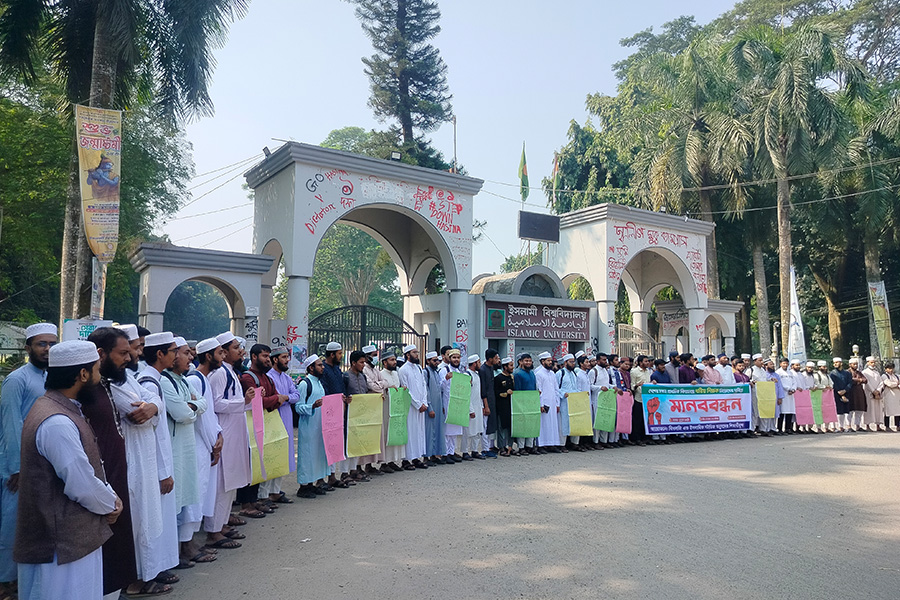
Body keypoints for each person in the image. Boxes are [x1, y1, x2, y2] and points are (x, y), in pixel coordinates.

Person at [14, 340, 123, 600]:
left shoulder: (59, 408)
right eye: (96, 370)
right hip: (60, 547)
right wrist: (111, 503)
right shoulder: (57, 422)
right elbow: (80, 483)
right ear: (82, 374)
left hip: (70, 540)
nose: (99, 377)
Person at [106, 328, 175, 594]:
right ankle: (135, 581)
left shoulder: (128, 378)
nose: (134, 355)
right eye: (129, 350)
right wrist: (152, 407)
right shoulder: (113, 383)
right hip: (131, 458)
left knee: (147, 518)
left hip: (145, 458)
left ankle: (145, 575)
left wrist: (153, 407)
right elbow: (135, 410)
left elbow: (152, 402)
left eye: (134, 349)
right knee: (136, 520)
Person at [82, 328, 140, 597]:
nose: (129, 358)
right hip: (100, 480)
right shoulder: (83, 393)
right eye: (123, 353)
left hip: (116, 475)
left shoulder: (106, 384)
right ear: (100, 354)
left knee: (118, 546)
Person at [0, 322, 58, 593]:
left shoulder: (53, 377)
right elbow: (11, 425)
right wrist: (17, 468)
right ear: (28, 348)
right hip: (18, 467)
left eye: (52, 344)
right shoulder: (17, 380)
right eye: (41, 344)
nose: (47, 349)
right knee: (12, 523)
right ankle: (5, 582)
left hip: (43, 464)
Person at [137, 333, 181, 585]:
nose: (177, 355)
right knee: (154, 518)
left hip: (161, 460)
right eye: (173, 351)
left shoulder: (156, 379)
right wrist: (163, 471)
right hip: (154, 463)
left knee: (162, 516)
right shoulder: (149, 384)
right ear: (160, 354)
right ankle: (149, 572)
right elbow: (155, 433)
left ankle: (159, 566)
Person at [162, 337, 207, 569]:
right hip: (173, 451)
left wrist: (192, 406)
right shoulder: (163, 381)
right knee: (172, 503)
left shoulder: (183, 380)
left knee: (185, 499)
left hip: (186, 447)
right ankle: (171, 555)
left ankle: (182, 548)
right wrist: (192, 407)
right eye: (185, 353)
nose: (191, 358)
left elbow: (203, 403)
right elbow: (181, 414)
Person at [185, 339, 232, 553]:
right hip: (199, 445)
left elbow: (210, 415)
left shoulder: (203, 379)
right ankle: (188, 545)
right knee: (196, 495)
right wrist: (214, 443)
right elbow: (200, 419)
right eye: (220, 353)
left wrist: (219, 434)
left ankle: (192, 542)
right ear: (208, 356)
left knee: (204, 492)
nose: (223, 357)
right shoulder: (194, 380)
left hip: (208, 444)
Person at [207, 332, 255, 529]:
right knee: (222, 483)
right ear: (224, 352)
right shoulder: (219, 374)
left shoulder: (231, 372)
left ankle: (223, 523)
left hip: (235, 431)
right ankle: (215, 530)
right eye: (236, 348)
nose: (241, 351)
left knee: (231, 480)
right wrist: (243, 401)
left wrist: (247, 401)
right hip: (225, 432)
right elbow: (216, 403)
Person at [238, 344, 288, 515]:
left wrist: (272, 399)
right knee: (251, 464)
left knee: (262, 462)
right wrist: (274, 399)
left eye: (268, 356)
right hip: (249, 426)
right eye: (265, 356)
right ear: (254, 357)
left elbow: (273, 401)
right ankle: (247, 504)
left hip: (265, 425)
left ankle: (256, 500)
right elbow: (257, 402)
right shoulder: (248, 378)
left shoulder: (268, 378)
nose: (268, 360)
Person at [265, 347, 300, 503]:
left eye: (287, 357)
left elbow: (296, 395)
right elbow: (274, 397)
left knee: (283, 455)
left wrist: (285, 398)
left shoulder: (286, 378)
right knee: (272, 455)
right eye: (284, 357)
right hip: (273, 419)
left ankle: (276, 491)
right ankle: (265, 494)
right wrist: (285, 398)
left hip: (286, 418)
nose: (287, 360)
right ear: (275, 359)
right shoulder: (268, 377)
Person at [294, 355, 330, 498]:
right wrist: (312, 406)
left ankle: (313, 483)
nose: (322, 367)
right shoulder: (305, 384)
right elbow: (298, 407)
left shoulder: (319, 383)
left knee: (318, 454)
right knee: (307, 456)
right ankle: (304, 487)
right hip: (308, 427)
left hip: (319, 426)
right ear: (311, 368)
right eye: (319, 365)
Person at [399, 345, 429, 469]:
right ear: (407, 355)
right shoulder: (403, 370)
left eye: (417, 352)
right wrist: (417, 404)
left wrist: (424, 402)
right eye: (414, 352)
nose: (417, 354)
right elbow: (406, 390)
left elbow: (423, 385)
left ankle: (416, 457)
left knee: (419, 432)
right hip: (410, 407)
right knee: (410, 431)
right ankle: (406, 460)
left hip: (421, 406)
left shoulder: (419, 368)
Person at [360, 344, 387, 478]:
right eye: (373, 355)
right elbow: (371, 386)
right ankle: (361, 465)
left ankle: (370, 465)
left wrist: (379, 385)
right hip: (368, 407)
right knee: (366, 435)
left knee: (375, 436)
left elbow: (385, 382)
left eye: (376, 355)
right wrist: (380, 386)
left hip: (377, 406)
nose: (375, 357)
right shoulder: (364, 370)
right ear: (366, 357)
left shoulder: (376, 370)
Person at [378, 353, 408, 471]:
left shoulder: (396, 373)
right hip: (386, 408)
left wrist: (402, 389)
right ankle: (384, 463)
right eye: (392, 360)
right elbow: (379, 389)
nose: (395, 362)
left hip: (396, 408)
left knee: (395, 432)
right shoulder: (381, 374)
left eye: (395, 359)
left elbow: (398, 388)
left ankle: (392, 461)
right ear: (385, 362)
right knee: (387, 434)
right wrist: (387, 389)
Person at [440, 349, 468, 461]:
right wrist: (446, 379)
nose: (456, 360)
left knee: (455, 430)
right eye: (454, 357)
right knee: (447, 431)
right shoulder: (444, 370)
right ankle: (445, 453)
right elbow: (440, 387)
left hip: (457, 404)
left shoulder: (460, 372)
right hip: (447, 403)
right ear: (450, 358)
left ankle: (451, 452)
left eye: (458, 358)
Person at [423, 352, 447, 464]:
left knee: (437, 430)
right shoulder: (425, 372)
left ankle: (434, 455)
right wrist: (430, 407)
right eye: (434, 360)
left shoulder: (436, 372)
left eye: (437, 360)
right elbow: (426, 391)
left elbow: (440, 390)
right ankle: (426, 457)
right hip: (430, 407)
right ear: (428, 361)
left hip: (438, 406)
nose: (437, 362)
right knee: (429, 432)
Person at [535, 352, 561, 452]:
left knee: (553, 424)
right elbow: (539, 391)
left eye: (551, 360)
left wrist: (557, 403)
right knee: (544, 424)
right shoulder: (539, 373)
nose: (550, 362)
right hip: (544, 403)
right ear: (542, 361)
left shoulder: (552, 373)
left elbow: (556, 389)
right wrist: (541, 404)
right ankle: (541, 445)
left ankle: (552, 444)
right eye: (548, 360)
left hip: (553, 403)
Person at [512, 354, 538, 454]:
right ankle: (521, 447)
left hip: (532, 402)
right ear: (520, 361)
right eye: (526, 361)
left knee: (531, 424)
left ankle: (529, 446)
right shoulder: (517, 374)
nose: (528, 363)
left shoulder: (532, 373)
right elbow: (517, 390)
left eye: (530, 361)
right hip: (522, 403)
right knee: (522, 425)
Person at [591, 353, 616, 449]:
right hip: (597, 399)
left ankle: (604, 441)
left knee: (605, 419)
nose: (605, 362)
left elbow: (607, 384)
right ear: (598, 361)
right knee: (597, 420)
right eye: (603, 360)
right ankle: (595, 441)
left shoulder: (605, 370)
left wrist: (613, 387)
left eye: (606, 360)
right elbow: (590, 386)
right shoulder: (593, 371)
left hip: (606, 399)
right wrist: (600, 388)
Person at [478, 350, 500, 458]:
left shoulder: (491, 368)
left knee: (490, 425)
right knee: (485, 426)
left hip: (492, 400)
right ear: (490, 359)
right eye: (496, 358)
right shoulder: (482, 370)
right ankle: (485, 449)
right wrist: (485, 406)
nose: (497, 360)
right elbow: (483, 390)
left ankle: (489, 447)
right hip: (485, 402)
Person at [755, 358, 785, 436]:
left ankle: (773, 428)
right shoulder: (764, 374)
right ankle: (765, 429)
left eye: (773, 364)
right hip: (765, 397)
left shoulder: (776, 375)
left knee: (774, 413)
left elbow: (780, 386)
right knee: (766, 413)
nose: (773, 366)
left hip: (775, 396)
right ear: (766, 366)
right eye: (771, 364)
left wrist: (780, 397)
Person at [494, 357, 515, 456]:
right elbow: (496, 392)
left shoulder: (511, 377)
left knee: (510, 427)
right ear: (505, 367)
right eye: (510, 365)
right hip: (501, 406)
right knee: (501, 427)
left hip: (511, 406)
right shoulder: (498, 378)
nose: (512, 367)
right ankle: (501, 447)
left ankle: (510, 446)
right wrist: (506, 393)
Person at [556, 354, 578, 451]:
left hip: (574, 402)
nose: (573, 364)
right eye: (571, 362)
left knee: (575, 422)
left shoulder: (574, 374)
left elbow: (576, 387)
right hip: (564, 402)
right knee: (563, 423)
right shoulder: (560, 373)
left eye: (574, 362)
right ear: (565, 363)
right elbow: (556, 388)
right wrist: (563, 394)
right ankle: (562, 444)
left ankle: (574, 443)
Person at [575, 355, 596, 450]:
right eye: (586, 362)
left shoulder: (586, 374)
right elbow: (578, 389)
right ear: (581, 364)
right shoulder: (579, 374)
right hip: (582, 401)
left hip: (588, 401)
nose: (588, 364)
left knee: (588, 423)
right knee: (582, 423)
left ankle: (586, 442)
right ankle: (580, 443)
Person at [630, 355, 652, 445]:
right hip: (638, 398)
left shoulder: (648, 371)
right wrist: (637, 385)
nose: (647, 363)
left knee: (645, 419)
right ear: (640, 362)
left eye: (648, 361)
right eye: (645, 361)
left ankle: (645, 438)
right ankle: (637, 438)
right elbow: (632, 386)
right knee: (637, 420)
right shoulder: (634, 372)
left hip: (647, 399)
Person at [862, 357, 885, 432]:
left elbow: (881, 382)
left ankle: (878, 425)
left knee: (878, 409)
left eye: (874, 362)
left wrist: (878, 390)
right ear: (868, 363)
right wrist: (873, 391)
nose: (873, 364)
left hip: (877, 393)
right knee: (869, 409)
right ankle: (867, 425)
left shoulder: (877, 372)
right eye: (871, 362)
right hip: (869, 393)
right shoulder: (865, 372)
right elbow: (867, 383)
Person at [775, 358, 797, 434]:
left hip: (790, 395)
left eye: (786, 363)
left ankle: (788, 428)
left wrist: (793, 389)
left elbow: (794, 382)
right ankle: (780, 428)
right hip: (783, 393)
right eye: (783, 363)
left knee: (790, 411)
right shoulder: (778, 372)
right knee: (782, 412)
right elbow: (780, 383)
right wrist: (788, 388)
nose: (785, 365)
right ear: (780, 364)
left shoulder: (790, 372)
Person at [847, 357, 868, 432]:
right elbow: (850, 380)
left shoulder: (859, 373)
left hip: (859, 393)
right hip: (850, 392)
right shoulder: (847, 372)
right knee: (850, 410)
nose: (856, 365)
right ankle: (849, 426)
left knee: (859, 409)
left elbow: (865, 380)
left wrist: (858, 380)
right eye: (854, 364)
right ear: (850, 364)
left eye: (856, 364)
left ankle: (858, 425)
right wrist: (859, 380)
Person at [879, 363, 900, 431]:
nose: (891, 370)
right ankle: (887, 426)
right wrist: (896, 384)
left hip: (897, 396)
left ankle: (898, 426)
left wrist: (896, 385)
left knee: (897, 411)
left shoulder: (896, 376)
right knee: (887, 412)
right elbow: (889, 384)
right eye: (889, 368)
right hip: (888, 396)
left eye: (892, 368)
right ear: (886, 369)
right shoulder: (884, 376)